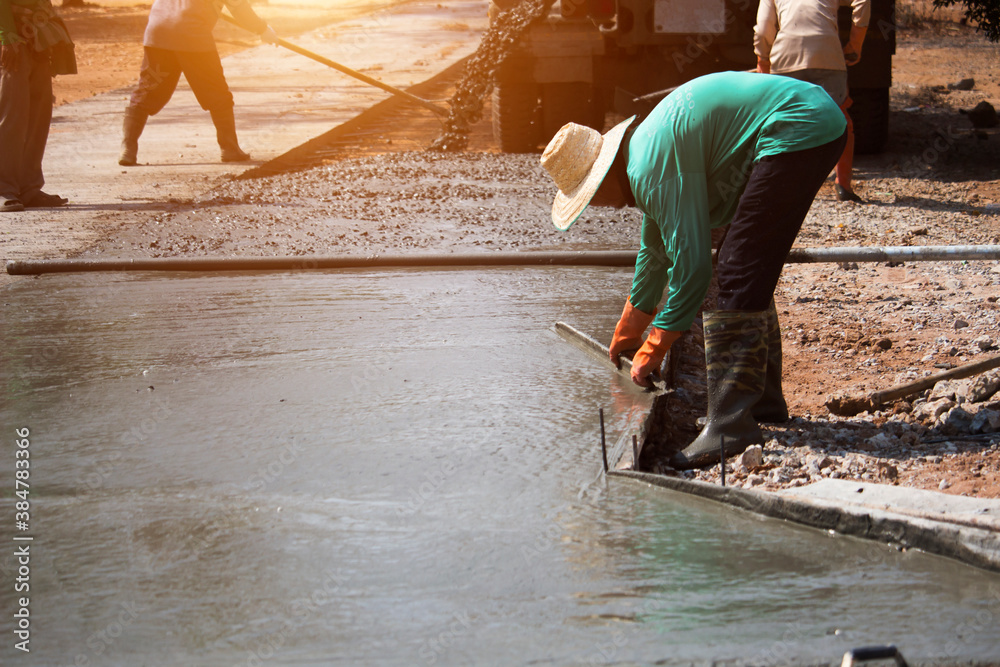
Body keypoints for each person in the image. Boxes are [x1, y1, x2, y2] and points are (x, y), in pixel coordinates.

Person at [540, 72, 846, 470]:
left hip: (797, 127)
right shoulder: (645, 151)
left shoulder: (651, 168)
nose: (599, 207)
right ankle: (764, 403)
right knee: (750, 264)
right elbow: (655, 253)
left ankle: (730, 424)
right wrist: (628, 332)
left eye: (591, 199)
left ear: (600, 181)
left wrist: (655, 347)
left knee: (737, 266)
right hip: (808, 116)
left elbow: (692, 266)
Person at [119, 0, 279, 166]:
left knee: (148, 89)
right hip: (192, 36)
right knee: (216, 93)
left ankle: (128, 148)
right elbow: (241, 10)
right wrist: (263, 29)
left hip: (158, 31)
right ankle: (230, 149)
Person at [754, 0, 870, 203]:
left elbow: (764, 27)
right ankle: (843, 185)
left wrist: (763, 58)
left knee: (783, 121)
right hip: (827, 53)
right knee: (839, 116)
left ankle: (780, 183)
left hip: (786, 55)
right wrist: (855, 43)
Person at [0, 0, 75, 212]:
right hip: (10, 38)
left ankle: (28, 188)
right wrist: (5, 36)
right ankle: (3, 188)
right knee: (11, 116)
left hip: (36, 35)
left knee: (38, 116)